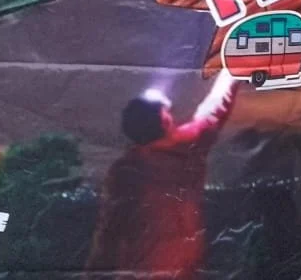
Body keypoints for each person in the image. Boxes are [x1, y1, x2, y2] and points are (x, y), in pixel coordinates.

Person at [86, 73, 240, 280]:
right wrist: (229, 72)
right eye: (166, 110)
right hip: (183, 269)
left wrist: (91, 274)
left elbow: (108, 232)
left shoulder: (125, 171)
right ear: (165, 120)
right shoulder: (187, 150)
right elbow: (214, 109)